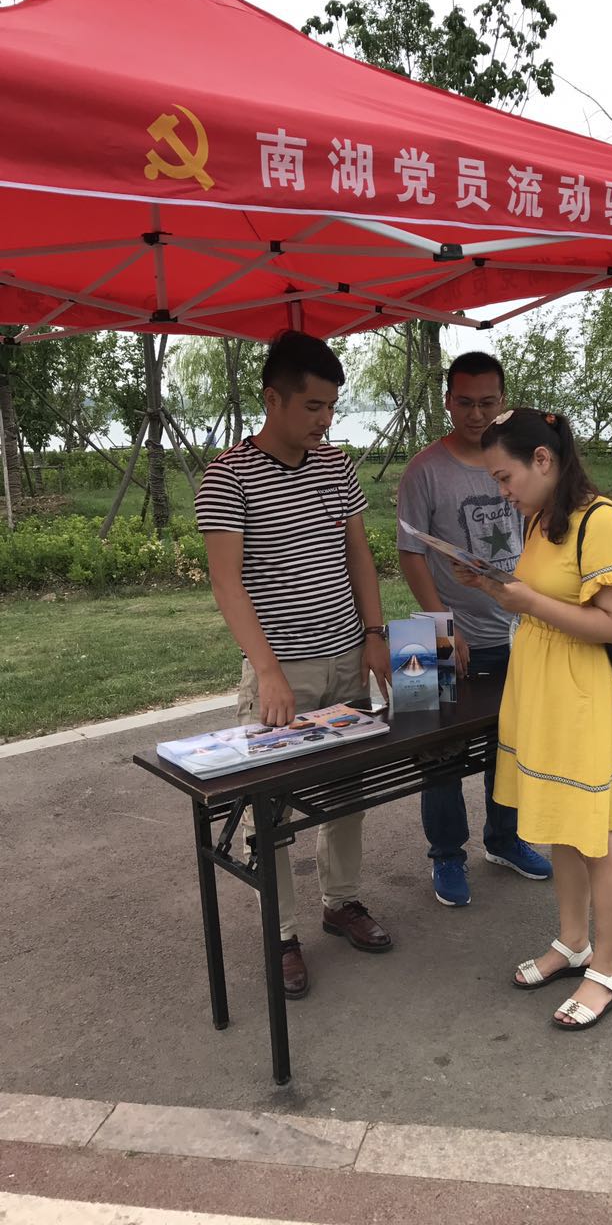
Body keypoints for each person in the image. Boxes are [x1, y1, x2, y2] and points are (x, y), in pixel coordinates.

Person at [195, 330, 394, 1001]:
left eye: (332, 406)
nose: (324, 420)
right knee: (271, 809)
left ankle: (341, 902)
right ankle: (280, 934)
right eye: (312, 406)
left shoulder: (336, 466)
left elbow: (358, 554)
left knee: (347, 793)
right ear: (272, 399)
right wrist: (268, 670)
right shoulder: (228, 476)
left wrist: (374, 634)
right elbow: (227, 583)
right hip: (283, 672)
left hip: (346, 656)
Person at [455, 407, 612, 1032]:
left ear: (543, 460)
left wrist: (528, 599)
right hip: (539, 691)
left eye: (504, 477)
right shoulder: (541, 518)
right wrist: (491, 586)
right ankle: (573, 942)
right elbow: (538, 600)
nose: (502, 492)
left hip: (580, 699)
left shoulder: (601, 522)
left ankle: (607, 969)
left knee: (597, 838)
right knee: (562, 826)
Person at [396, 353, 552, 907]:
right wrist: (443, 624)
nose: (477, 413)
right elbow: (410, 553)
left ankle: (504, 839)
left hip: (516, 631)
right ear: (448, 401)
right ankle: (447, 855)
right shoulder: (424, 471)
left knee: (510, 744)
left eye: (488, 402)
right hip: (446, 639)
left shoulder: (516, 460)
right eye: (465, 402)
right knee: (439, 754)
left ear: (503, 401)